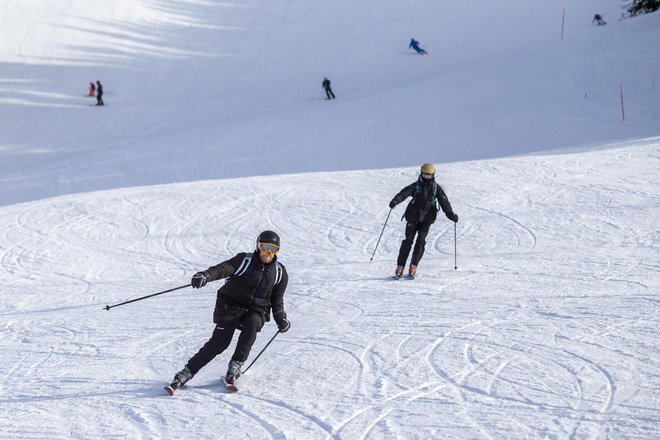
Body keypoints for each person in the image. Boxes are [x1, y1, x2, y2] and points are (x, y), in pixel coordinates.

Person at [167, 230, 291, 392]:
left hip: (256, 309)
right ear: (258, 246)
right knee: (220, 342)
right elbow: (222, 269)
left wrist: (281, 318)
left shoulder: (279, 273)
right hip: (230, 304)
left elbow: (277, 300)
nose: (268, 253)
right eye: (265, 247)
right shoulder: (244, 261)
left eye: (273, 249)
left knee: (252, 323)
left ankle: (235, 366)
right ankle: (187, 372)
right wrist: (204, 275)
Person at [389, 163, 458, 278]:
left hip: (427, 219)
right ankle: (400, 266)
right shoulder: (415, 186)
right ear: (421, 174)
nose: (427, 178)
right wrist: (395, 201)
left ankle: (414, 265)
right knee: (408, 241)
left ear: (433, 175)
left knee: (421, 241)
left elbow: (444, 202)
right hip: (413, 217)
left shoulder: (436, 188)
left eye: (429, 176)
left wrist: (451, 215)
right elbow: (404, 193)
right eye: (425, 176)